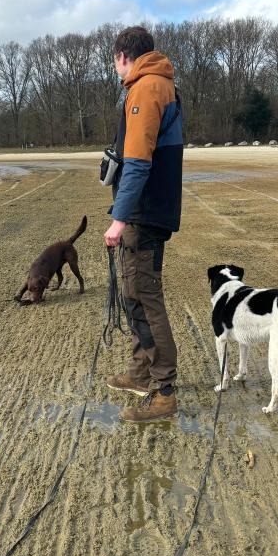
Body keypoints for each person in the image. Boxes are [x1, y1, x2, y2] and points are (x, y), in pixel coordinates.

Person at [103, 25, 184, 422]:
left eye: (115, 61)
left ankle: (164, 392)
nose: (116, 69)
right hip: (147, 209)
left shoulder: (147, 87)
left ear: (122, 55)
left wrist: (118, 219)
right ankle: (140, 370)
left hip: (144, 213)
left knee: (146, 298)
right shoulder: (157, 83)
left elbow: (137, 162)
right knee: (134, 294)